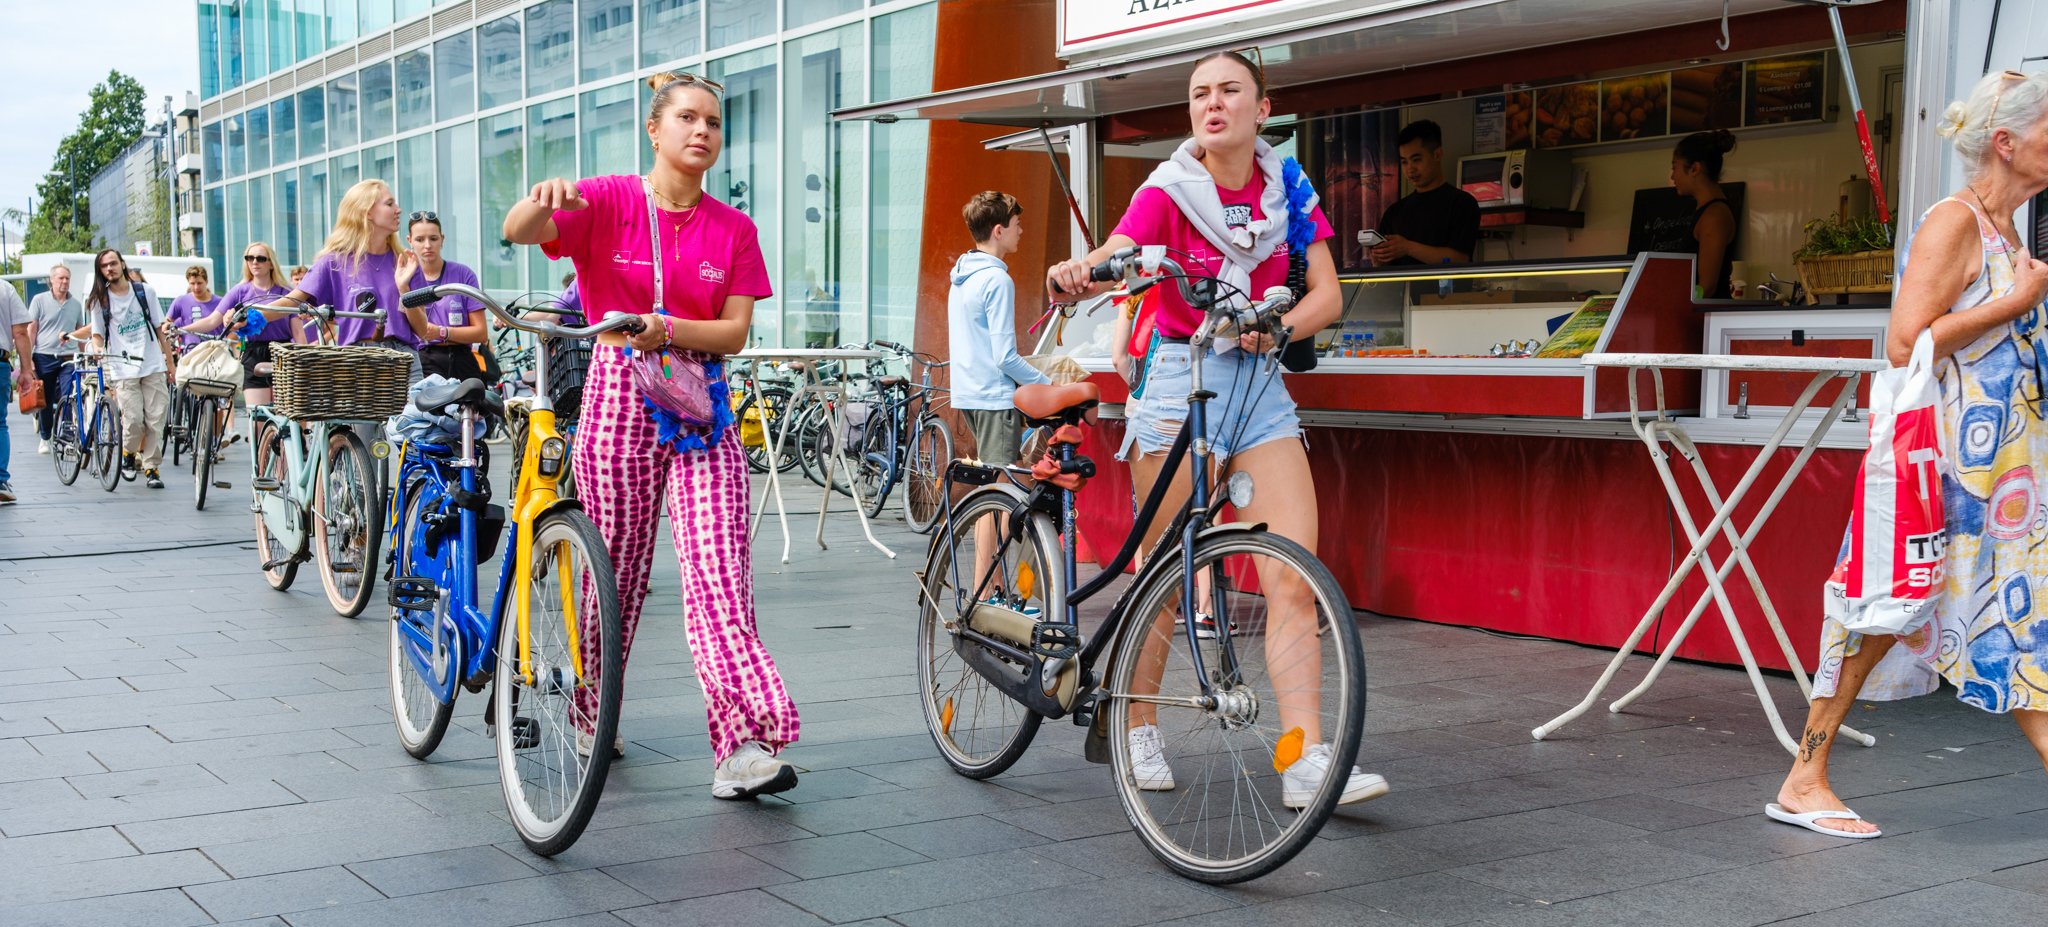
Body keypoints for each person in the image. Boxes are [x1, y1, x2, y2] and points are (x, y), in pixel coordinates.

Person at [1048, 51, 1388, 807]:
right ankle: (1137, 727)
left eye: (1230, 90)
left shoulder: (1288, 185)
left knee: (1294, 577)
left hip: (1261, 384)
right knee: (1166, 578)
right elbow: (1117, 252)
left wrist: (1281, 324)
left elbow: (1327, 293)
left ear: (1262, 107)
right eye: (1200, 93)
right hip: (1180, 378)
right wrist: (1081, 270)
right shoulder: (1169, 187)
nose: (1213, 103)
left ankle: (1302, 758)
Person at [503, 69, 800, 800]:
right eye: (688, 119)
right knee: (617, 571)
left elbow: (732, 331)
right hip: (617, 390)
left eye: (713, 123)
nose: (702, 131)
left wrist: (664, 327)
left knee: (719, 572)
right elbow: (518, 231)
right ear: (655, 129)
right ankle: (591, 708)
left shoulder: (734, 229)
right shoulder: (605, 198)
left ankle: (742, 744)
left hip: (700, 399)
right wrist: (541, 199)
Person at [1770, 70, 2048, 839]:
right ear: (2006, 142)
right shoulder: (1953, 222)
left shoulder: (2008, 228)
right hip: (1948, 474)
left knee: (2006, 629)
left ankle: (1805, 774)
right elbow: (1903, 342)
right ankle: (1804, 775)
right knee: (1886, 614)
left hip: (2003, 475)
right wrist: (2014, 304)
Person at [274, 179, 423, 376]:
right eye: (389, 204)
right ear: (367, 212)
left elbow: (422, 329)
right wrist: (250, 316)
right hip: (356, 361)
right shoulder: (334, 262)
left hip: (404, 360)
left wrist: (403, 288)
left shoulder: (405, 261)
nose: (398, 209)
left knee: (415, 408)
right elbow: (291, 301)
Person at [949, 191, 1050, 467]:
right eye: (1016, 223)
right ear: (998, 230)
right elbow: (1004, 356)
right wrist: (1048, 386)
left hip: (969, 393)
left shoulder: (962, 277)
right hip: (994, 397)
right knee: (1002, 486)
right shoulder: (997, 280)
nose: (1020, 230)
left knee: (997, 483)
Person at [85, 250, 175, 489]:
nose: (109, 269)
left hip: (152, 363)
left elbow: (159, 329)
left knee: (156, 420)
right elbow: (96, 334)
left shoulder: (146, 292)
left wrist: (170, 364)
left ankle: (152, 467)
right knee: (133, 420)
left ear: (122, 264)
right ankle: (128, 452)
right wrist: (97, 348)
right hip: (122, 367)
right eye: (104, 266)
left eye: (113, 263)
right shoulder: (100, 300)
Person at [1369, 119, 1481, 269]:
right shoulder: (1394, 212)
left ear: (1437, 154)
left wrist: (1407, 247)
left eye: (1416, 160)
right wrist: (1380, 259)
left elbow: (1460, 259)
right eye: (1404, 162)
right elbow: (1383, 268)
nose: (1410, 169)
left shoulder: (1462, 203)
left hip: (1447, 292)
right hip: (1401, 292)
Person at [208, 242, 295, 431]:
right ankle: (260, 460)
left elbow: (298, 331)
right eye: (250, 258)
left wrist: (304, 355)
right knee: (258, 419)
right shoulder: (240, 291)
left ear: (271, 263)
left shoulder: (285, 292)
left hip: (283, 350)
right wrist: (175, 327)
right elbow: (213, 319)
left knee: (287, 418)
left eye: (261, 258)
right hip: (253, 352)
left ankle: (290, 457)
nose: (255, 262)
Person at [396, 212, 491, 381]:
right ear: (409, 241)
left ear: (442, 239)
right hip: (421, 360)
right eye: (420, 239)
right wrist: (403, 286)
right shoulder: (403, 277)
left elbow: (481, 333)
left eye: (433, 238)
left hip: (462, 360)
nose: (427, 245)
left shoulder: (463, 274)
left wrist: (441, 332)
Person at [1671, 129, 1739, 299]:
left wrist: (1673, 305)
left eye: (1675, 167)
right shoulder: (1707, 211)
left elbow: (1707, 286)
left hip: (1710, 320)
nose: (1672, 176)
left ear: (1694, 168)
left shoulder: (1714, 216)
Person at [26, 266, 84, 454]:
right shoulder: (39, 300)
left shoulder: (75, 304)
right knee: (46, 399)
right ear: (52, 280)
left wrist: (83, 356)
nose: (65, 282)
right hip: (44, 356)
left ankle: (67, 437)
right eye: (61, 278)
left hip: (68, 356)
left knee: (68, 396)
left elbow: (79, 330)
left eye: (67, 278)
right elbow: (31, 330)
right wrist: (28, 359)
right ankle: (45, 436)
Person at [1, 280, 32, 503]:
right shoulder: (4, 288)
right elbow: (20, 332)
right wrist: (26, 370)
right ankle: (0, 480)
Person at [166, 264, 223, 353]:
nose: (196, 287)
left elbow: (233, 330)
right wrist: (168, 326)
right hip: (190, 354)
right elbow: (167, 322)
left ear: (206, 282)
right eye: (192, 283)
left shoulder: (221, 302)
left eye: (199, 283)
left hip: (215, 354)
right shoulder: (181, 301)